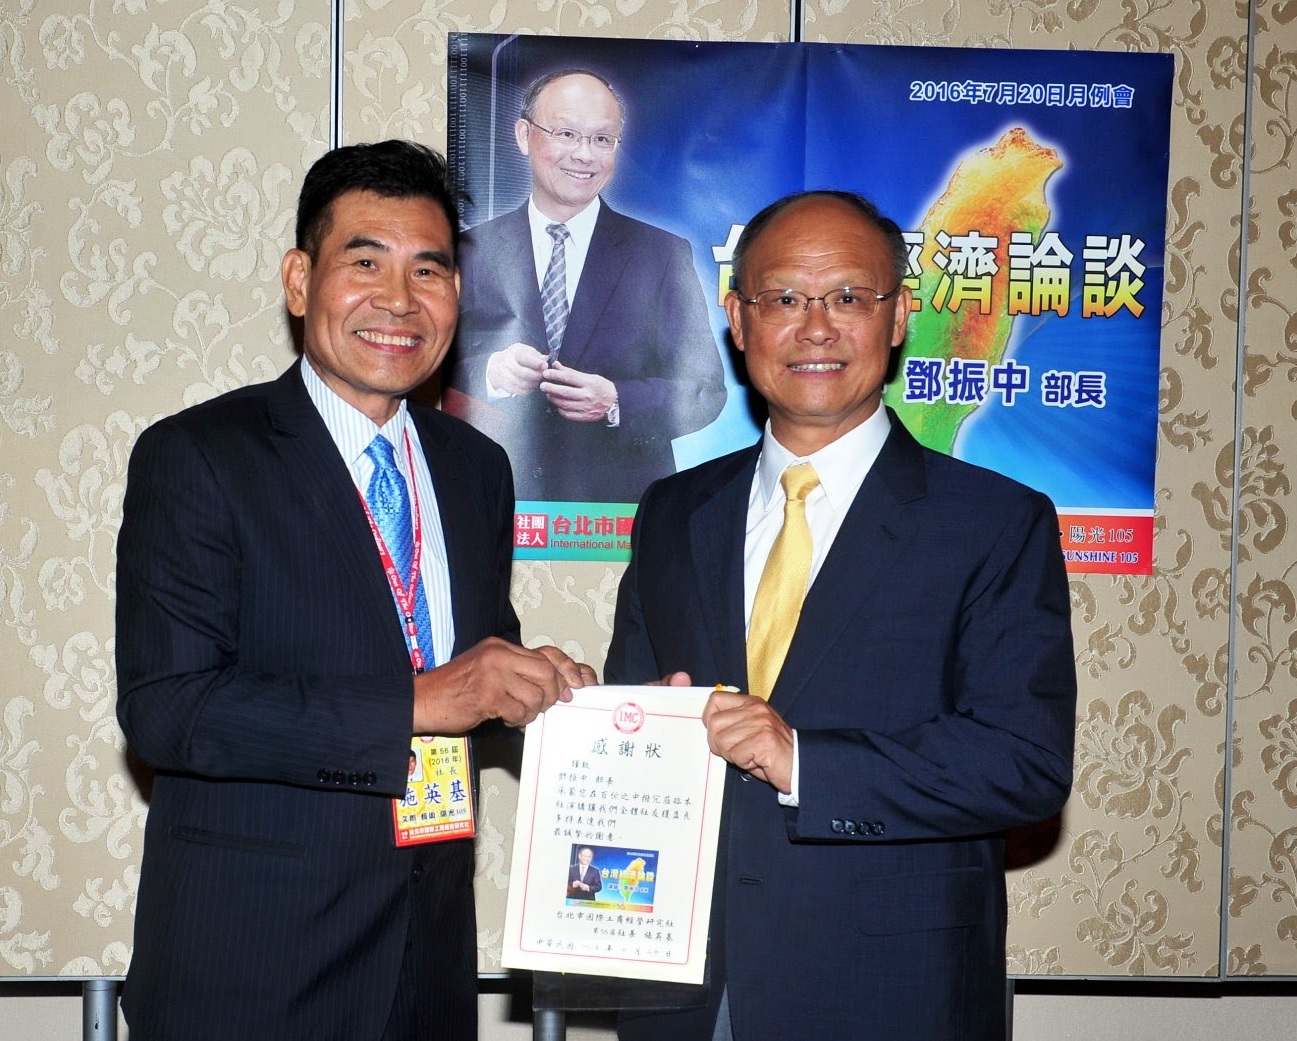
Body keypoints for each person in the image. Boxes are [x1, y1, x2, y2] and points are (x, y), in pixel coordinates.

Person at [115, 140, 597, 1041]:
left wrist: (536, 687)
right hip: (253, 974)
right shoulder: (200, 456)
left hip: (426, 968)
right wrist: (420, 700)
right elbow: (168, 710)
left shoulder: (476, 468)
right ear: (300, 281)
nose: (399, 300)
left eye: (429, 269)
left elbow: (462, 673)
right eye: (364, 262)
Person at [604, 190, 1076, 1041]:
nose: (815, 328)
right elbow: (632, 723)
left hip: (889, 991)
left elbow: (1023, 762)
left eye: (849, 297)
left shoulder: (994, 521)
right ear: (738, 320)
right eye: (783, 297)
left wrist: (803, 762)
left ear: (898, 316)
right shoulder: (672, 511)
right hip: (685, 987)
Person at [446, 69, 726, 503]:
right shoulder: (468, 251)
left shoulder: (661, 253)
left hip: (616, 513)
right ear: (524, 136)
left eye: (601, 139)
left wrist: (616, 400)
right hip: (491, 499)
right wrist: (491, 373)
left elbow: (705, 389)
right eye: (566, 134)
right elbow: (426, 369)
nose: (584, 155)